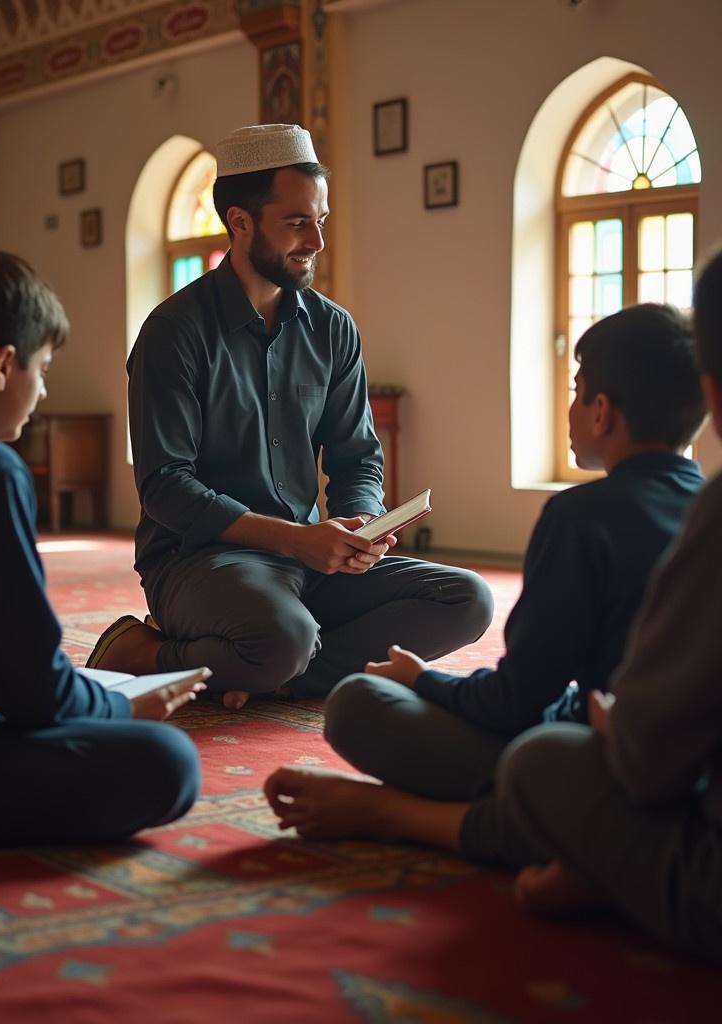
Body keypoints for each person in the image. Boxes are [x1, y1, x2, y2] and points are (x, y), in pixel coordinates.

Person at [264, 303, 706, 860]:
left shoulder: (582, 517)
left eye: (576, 390)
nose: (570, 407)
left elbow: (515, 703)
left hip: (608, 765)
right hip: (678, 764)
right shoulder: (706, 508)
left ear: (602, 413)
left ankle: (472, 821)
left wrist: (423, 680)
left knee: (356, 702)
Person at [86, 124, 493, 706]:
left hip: (308, 560)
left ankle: (246, 671)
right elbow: (164, 488)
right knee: (286, 635)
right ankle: (154, 653)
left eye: (321, 220)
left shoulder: (333, 329)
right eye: (298, 222)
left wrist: (360, 527)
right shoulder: (173, 332)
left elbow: (358, 459)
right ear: (240, 221)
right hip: (199, 562)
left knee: (468, 599)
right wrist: (295, 540)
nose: (317, 242)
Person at [492, 251, 722, 961]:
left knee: (532, 761)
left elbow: (648, 764)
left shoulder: (593, 515)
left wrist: (607, 719)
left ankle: (415, 817)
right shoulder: (694, 499)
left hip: (707, 877)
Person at [0, 246, 207, 847]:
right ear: (2, 366)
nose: (42, 392)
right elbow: (29, 691)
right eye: (41, 369)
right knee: (167, 760)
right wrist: (123, 707)